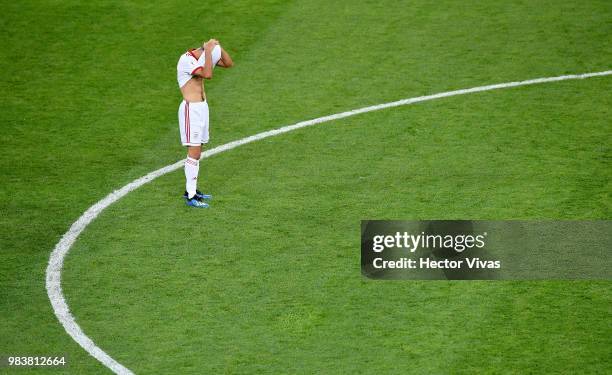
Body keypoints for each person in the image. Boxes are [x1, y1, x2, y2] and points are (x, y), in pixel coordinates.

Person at [176, 38, 234, 208]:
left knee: (198, 152)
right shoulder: (186, 60)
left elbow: (228, 63)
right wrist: (209, 52)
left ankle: (192, 190)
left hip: (202, 108)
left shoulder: (204, 55)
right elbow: (207, 74)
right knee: (193, 152)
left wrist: (219, 47)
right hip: (190, 110)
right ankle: (191, 195)